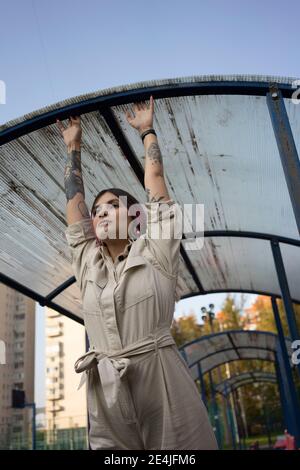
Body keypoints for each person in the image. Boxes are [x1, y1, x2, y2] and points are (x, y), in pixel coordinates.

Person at [56, 96, 218, 450]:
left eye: (112, 206)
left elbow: (156, 181)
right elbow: (73, 205)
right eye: (96, 210)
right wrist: (73, 146)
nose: (99, 213)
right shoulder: (87, 261)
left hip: (161, 384)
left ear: (134, 217)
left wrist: (146, 131)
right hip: (107, 394)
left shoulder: (156, 250)